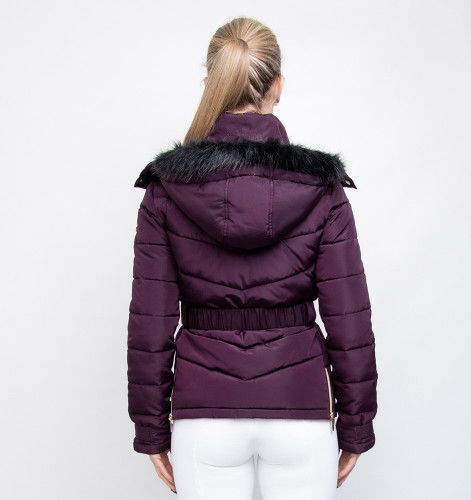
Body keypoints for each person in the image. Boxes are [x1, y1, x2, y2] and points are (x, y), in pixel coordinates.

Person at [127, 16, 378, 500]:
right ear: (278, 86)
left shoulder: (166, 190)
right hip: (300, 411)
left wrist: (151, 428)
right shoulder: (322, 190)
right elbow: (349, 319)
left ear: (211, 83)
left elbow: (150, 323)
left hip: (204, 416)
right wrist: (357, 424)